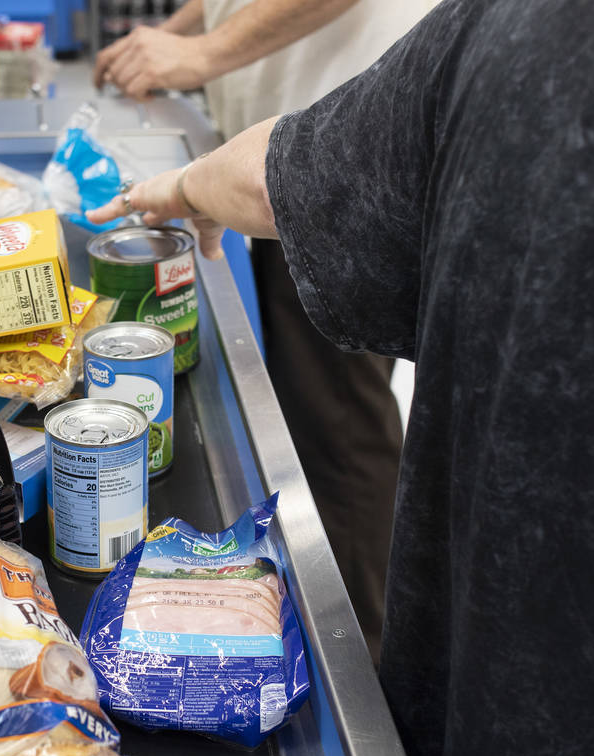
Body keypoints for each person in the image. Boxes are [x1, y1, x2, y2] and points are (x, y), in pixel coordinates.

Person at [89, 0, 594, 756]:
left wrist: (191, 158)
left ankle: (360, 660)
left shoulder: (517, 28)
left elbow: (278, 176)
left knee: (347, 430)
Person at [94, 0, 433, 665]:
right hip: (287, 152)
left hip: (333, 152)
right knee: (314, 411)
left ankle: (368, 664)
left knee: (336, 422)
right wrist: (183, 29)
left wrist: (199, 56)